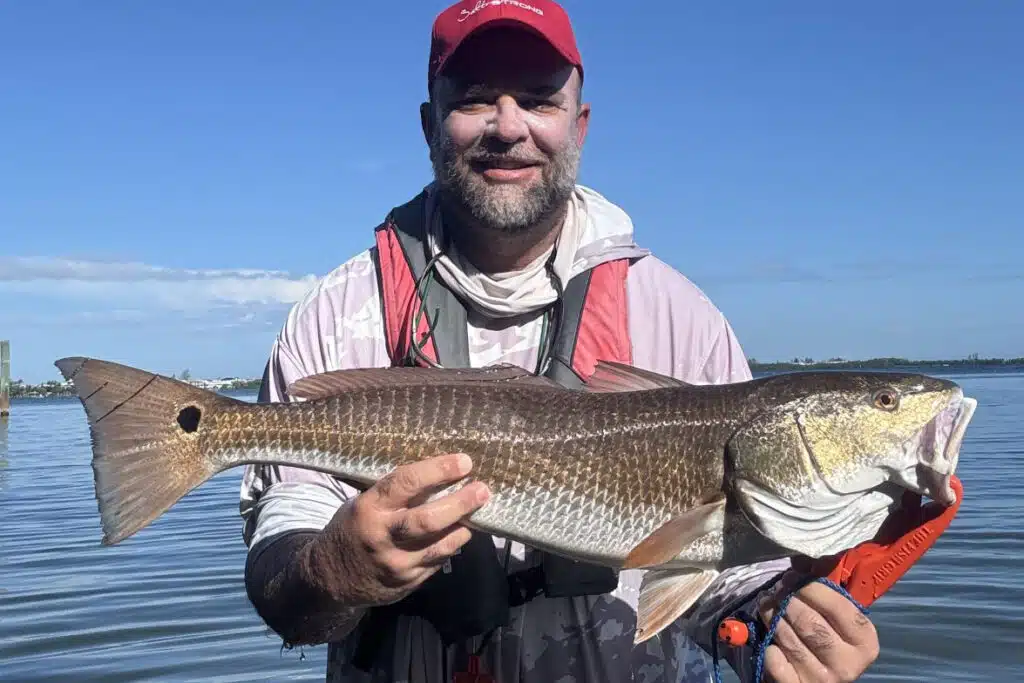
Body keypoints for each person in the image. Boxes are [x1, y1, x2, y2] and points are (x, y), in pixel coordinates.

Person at [239, 1, 880, 681]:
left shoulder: (682, 319)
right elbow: (284, 580)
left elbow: (722, 575)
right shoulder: (336, 316)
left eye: (540, 99)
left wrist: (777, 627)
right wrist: (333, 569)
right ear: (430, 125)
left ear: (579, 124)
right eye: (476, 98)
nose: (508, 126)